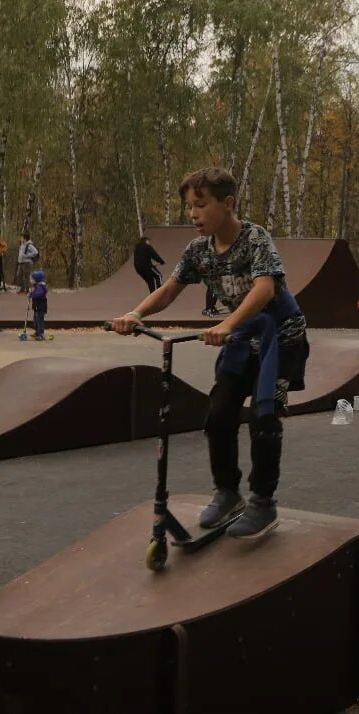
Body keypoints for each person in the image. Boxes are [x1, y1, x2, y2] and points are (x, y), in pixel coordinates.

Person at [110, 166, 302, 540]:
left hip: (279, 335)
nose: (193, 214)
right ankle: (228, 492)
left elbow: (263, 289)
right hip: (240, 337)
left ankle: (263, 500)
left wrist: (228, 325)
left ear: (227, 204)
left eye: (201, 205)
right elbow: (168, 290)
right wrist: (135, 314)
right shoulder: (198, 250)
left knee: (263, 417)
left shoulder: (255, 239)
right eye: (189, 207)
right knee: (219, 412)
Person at [28, 270, 49, 340]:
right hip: (37, 306)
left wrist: (32, 295)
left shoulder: (40, 286)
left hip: (40, 306)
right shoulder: (36, 286)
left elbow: (38, 294)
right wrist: (31, 293)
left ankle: (41, 333)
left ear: (36, 279)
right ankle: (37, 331)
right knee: (35, 319)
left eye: (32, 279)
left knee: (39, 320)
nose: (30, 280)